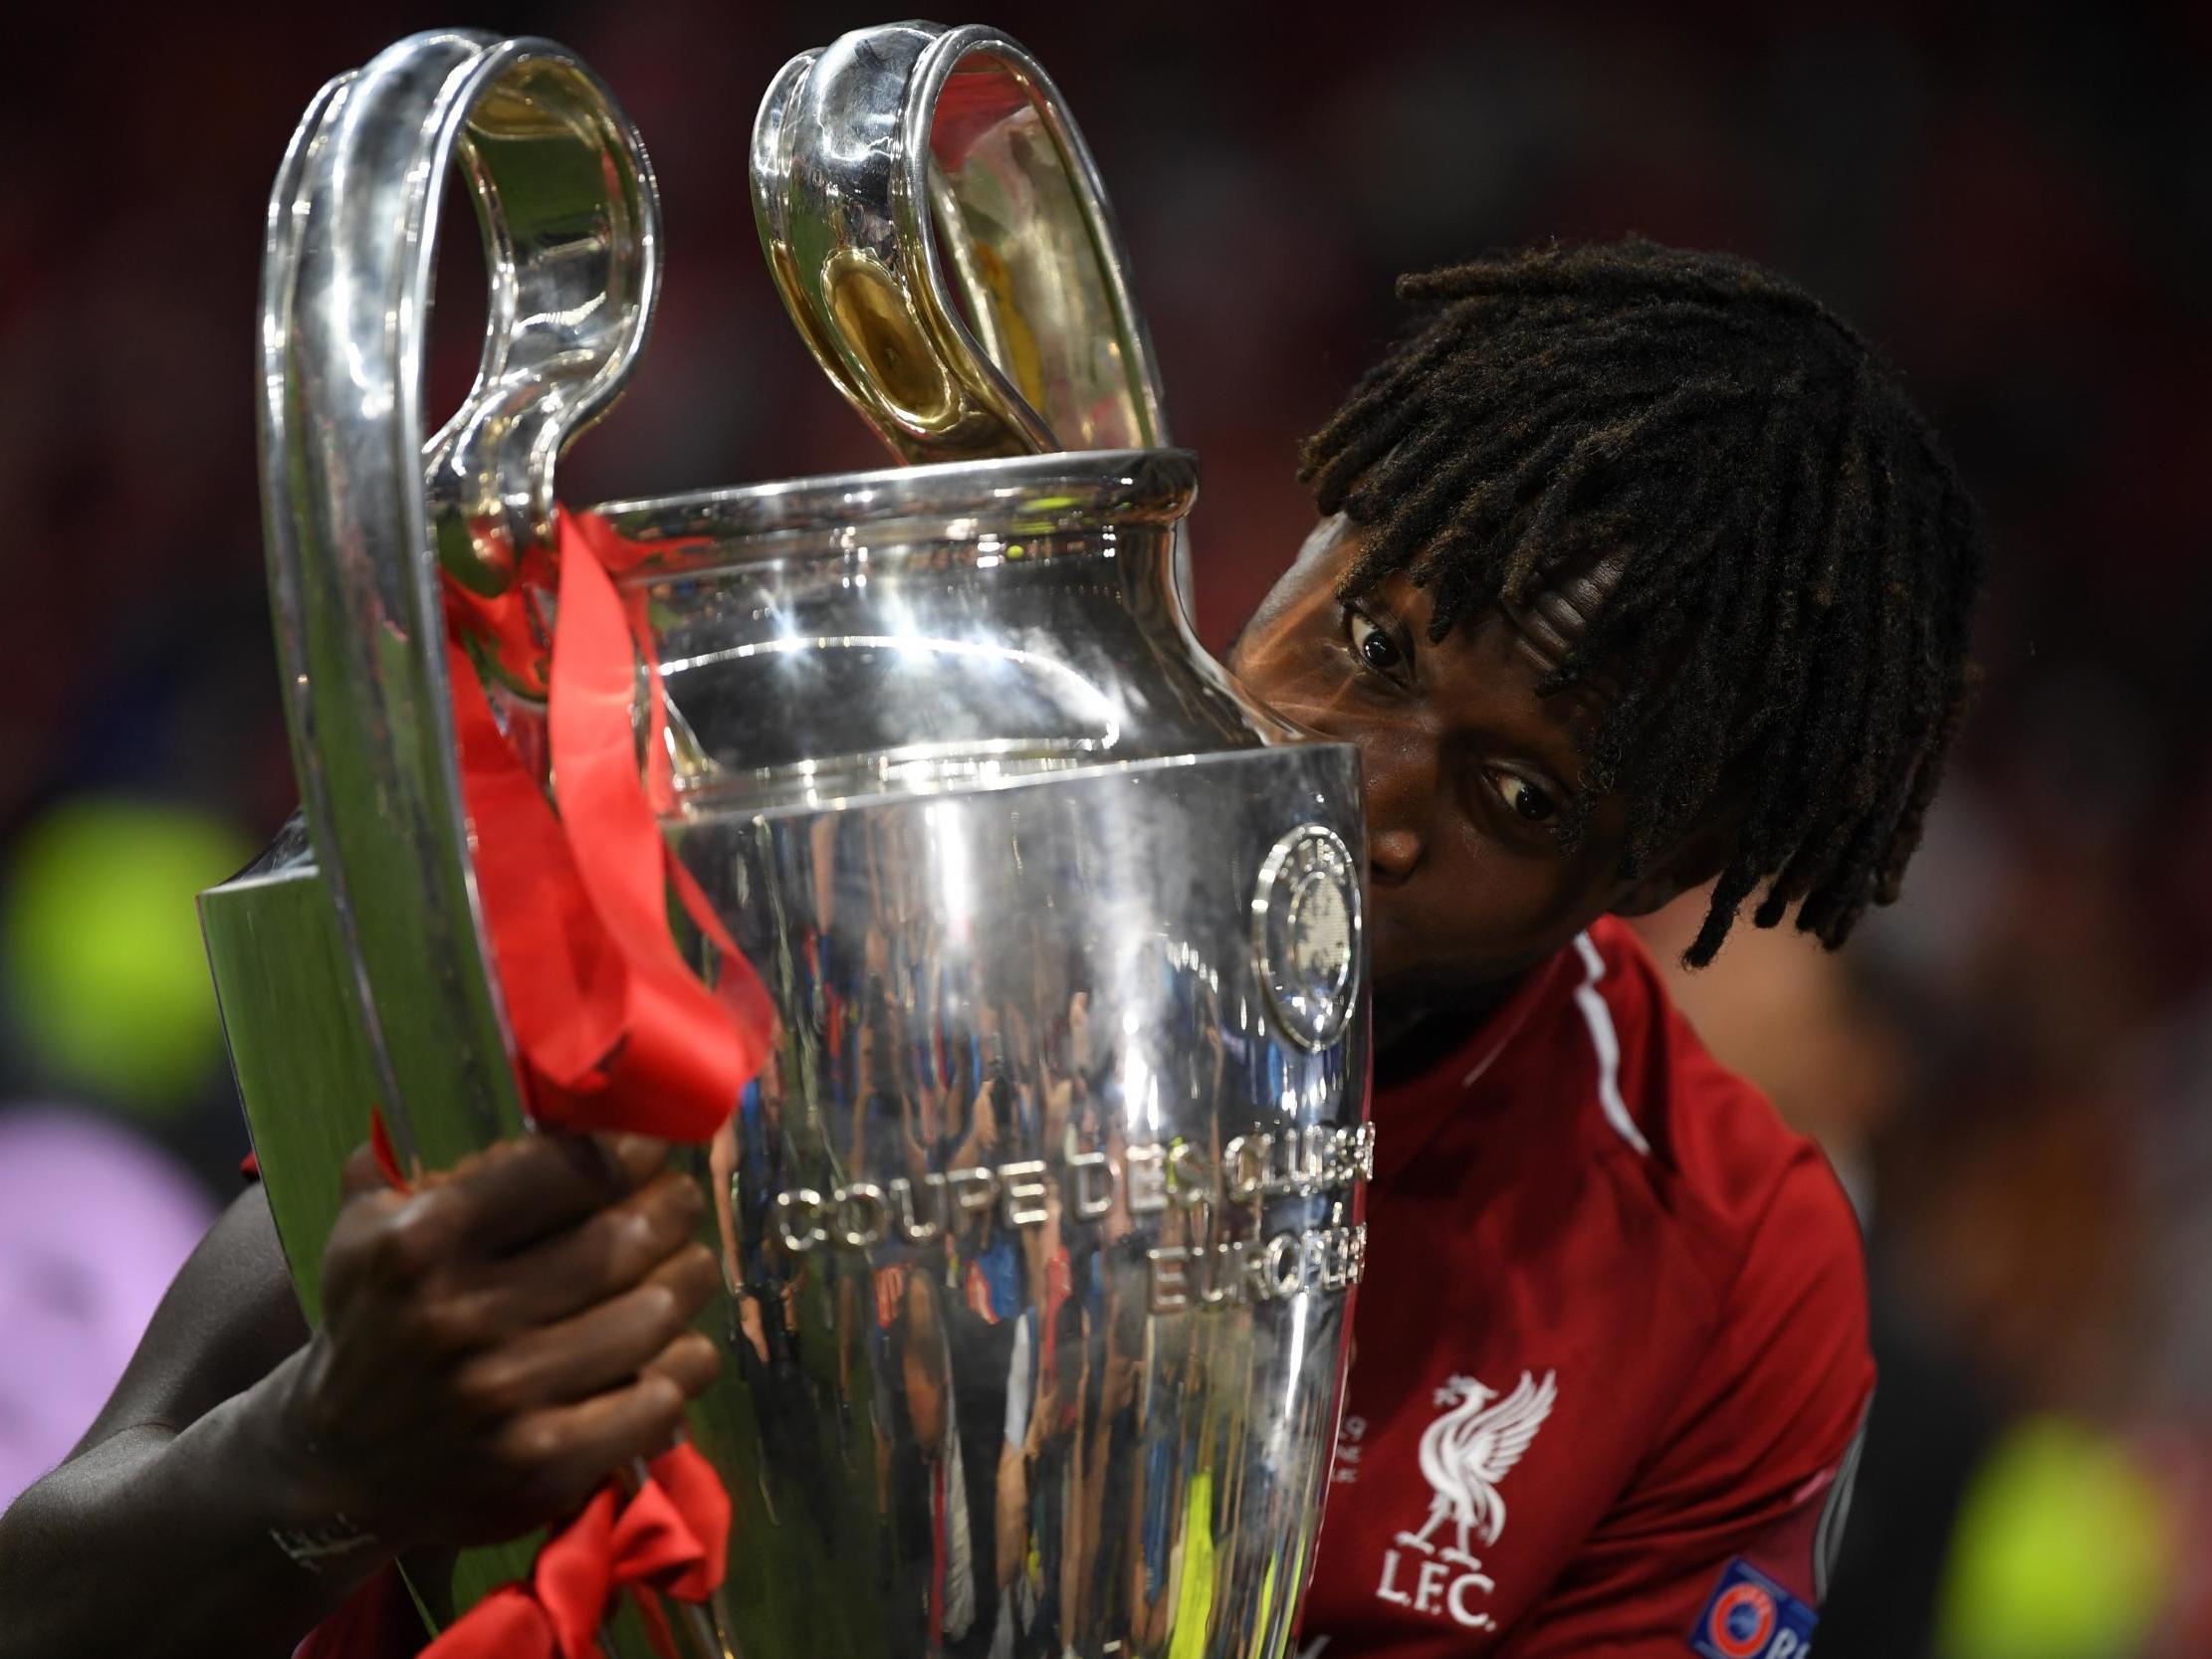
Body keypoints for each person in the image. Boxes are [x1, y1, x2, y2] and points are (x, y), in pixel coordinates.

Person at [0, 239, 1982, 1657]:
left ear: (1655, 870)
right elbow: (51, 1592)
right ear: (1302, 527)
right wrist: (328, 1459)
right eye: (1367, 640)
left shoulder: (1718, 1270)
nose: (1360, 793)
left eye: (1512, 799)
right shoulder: (706, 894)